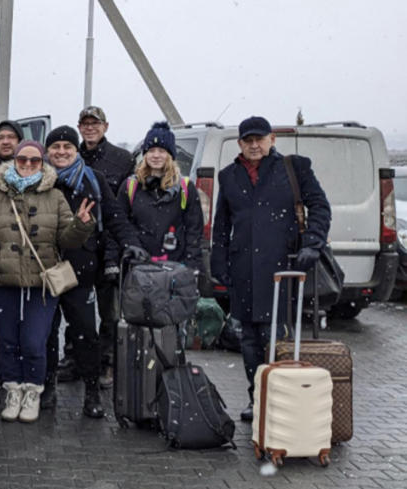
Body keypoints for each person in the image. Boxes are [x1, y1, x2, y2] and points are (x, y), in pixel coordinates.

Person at [210, 115, 331, 422]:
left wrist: (313, 244)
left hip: (283, 269)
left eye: (259, 139)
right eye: (248, 141)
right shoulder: (228, 176)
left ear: (271, 140)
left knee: (278, 338)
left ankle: (281, 402)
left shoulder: (294, 168)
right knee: (248, 341)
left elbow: (320, 206)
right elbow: (222, 225)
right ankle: (257, 397)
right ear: (240, 144)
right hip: (244, 271)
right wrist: (219, 261)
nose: (254, 145)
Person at [0, 141, 96, 423]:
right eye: (22, 160)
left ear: (42, 163)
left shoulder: (55, 196)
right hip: (2, 282)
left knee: (34, 342)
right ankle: (13, 390)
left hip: (41, 285)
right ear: (13, 161)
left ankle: (33, 392)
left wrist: (81, 225)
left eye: (35, 161)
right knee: (9, 341)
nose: (28, 165)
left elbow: (66, 239)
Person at [42, 126, 115, 419]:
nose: (61, 151)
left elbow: (113, 218)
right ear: (47, 151)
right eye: (55, 146)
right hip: (45, 270)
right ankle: (47, 386)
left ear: (76, 150)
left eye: (67, 146)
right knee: (46, 334)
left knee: (86, 334)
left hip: (81, 271)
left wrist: (126, 246)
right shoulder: (39, 180)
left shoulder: (93, 180)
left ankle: (92, 390)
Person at [77, 105, 136, 388]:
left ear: (106, 126)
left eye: (95, 123)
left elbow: (124, 208)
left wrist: (123, 247)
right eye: (85, 123)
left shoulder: (122, 159)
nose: (90, 128)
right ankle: (75, 358)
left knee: (110, 313)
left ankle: (107, 362)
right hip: (78, 245)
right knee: (76, 310)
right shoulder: (69, 156)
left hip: (109, 248)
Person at [108, 122, 203, 270]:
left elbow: (194, 232)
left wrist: (192, 267)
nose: (156, 155)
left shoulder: (185, 188)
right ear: (145, 154)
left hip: (175, 269)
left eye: (162, 151)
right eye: (151, 150)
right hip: (138, 268)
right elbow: (118, 225)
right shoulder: (130, 186)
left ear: (170, 155)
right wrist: (118, 258)